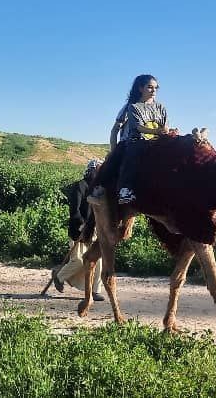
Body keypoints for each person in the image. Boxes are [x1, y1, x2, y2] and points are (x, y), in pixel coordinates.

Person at [88, 74, 172, 205]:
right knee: (119, 159)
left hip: (154, 142)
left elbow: (165, 126)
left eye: (156, 88)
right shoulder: (129, 108)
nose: (154, 90)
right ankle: (99, 190)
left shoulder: (160, 108)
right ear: (140, 88)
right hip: (131, 141)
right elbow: (115, 130)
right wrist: (113, 150)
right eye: (150, 87)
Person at [52, 159, 105, 301]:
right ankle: (59, 276)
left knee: (97, 260)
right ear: (91, 170)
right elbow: (74, 211)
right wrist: (82, 224)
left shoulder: (99, 189)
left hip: (94, 230)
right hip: (78, 230)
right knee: (79, 261)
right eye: (97, 170)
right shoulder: (79, 186)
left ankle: (95, 290)